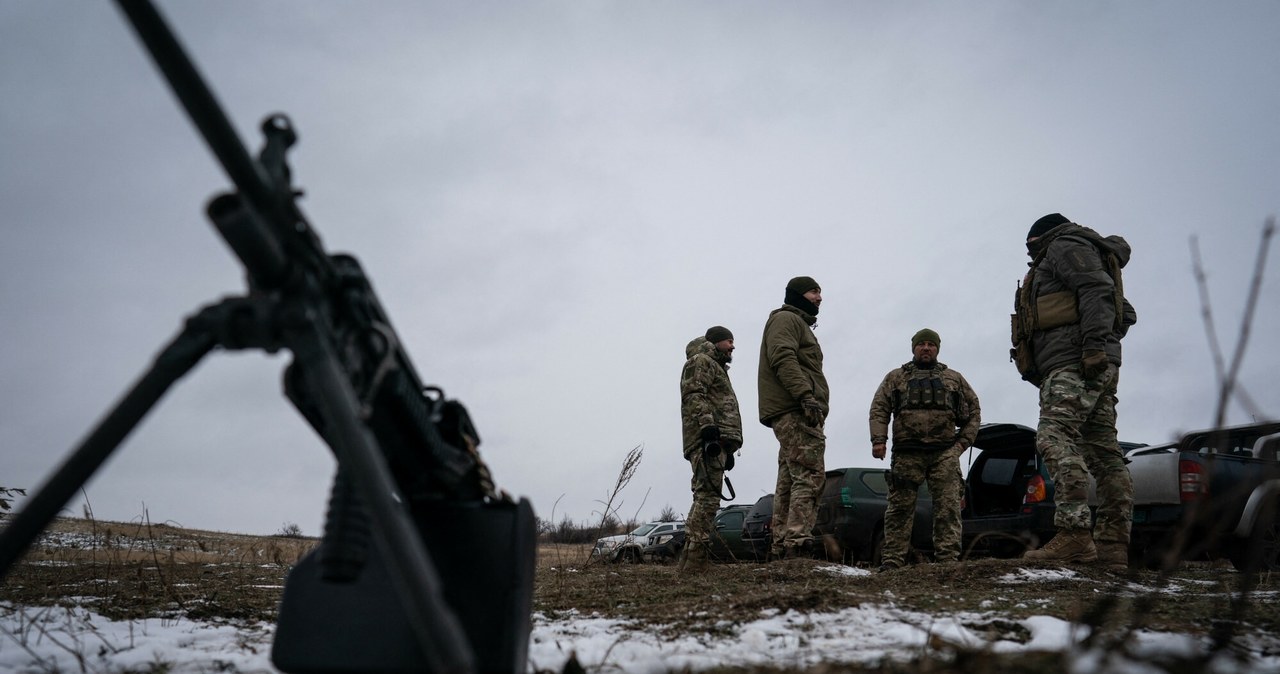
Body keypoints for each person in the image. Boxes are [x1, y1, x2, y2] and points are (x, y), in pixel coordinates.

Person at [1014, 213, 1137, 569]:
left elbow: (1097, 290)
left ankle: (1074, 535)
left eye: (1029, 248)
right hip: (1092, 361)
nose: (1029, 254)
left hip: (1076, 362)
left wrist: (1092, 345)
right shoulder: (1084, 250)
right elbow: (1124, 312)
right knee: (1103, 451)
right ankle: (1113, 546)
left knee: (1053, 436)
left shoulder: (1064, 246)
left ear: (1037, 239)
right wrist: (1104, 344)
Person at [869, 328, 980, 571]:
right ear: (914, 348)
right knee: (899, 508)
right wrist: (878, 440)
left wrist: (961, 444)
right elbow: (879, 409)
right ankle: (892, 560)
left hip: (944, 453)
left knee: (948, 507)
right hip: (907, 453)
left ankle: (947, 560)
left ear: (937, 349)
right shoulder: (896, 378)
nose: (926, 348)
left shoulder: (954, 378)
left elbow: (973, 411)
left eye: (931, 344)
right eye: (922, 344)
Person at [757, 276, 829, 560]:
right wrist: (805, 396)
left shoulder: (793, 322)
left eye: (820, 292)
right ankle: (798, 542)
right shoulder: (787, 320)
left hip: (791, 408)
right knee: (810, 474)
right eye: (814, 292)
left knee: (790, 478)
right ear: (797, 295)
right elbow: (782, 357)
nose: (819, 298)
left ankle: (781, 545)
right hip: (796, 408)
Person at [679, 325, 743, 572]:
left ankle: (691, 559)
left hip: (716, 441)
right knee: (707, 497)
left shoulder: (715, 366)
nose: (733, 346)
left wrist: (728, 445)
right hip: (708, 438)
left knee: (705, 495)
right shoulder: (701, 361)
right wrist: (708, 428)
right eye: (729, 341)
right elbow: (694, 393)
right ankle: (696, 559)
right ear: (716, 342)